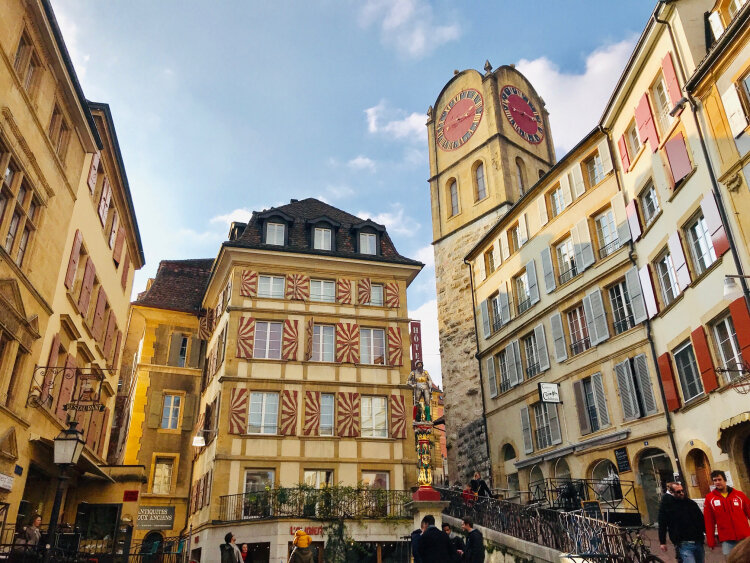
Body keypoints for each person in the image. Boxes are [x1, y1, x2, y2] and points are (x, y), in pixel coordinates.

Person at [704, 470, 750, 558]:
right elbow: (709, 521)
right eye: (715, 480)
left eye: (719, 479)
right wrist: (711, 540)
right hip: (727, 539)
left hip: (744, 536)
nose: (717, 482)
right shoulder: (710, 498)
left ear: (725, 480)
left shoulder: (739, 495)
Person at [658, 481, 705, 563]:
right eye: (678, 492)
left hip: (698, 541)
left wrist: (708, 534)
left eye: (682, 490)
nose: (682, 493)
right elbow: (662, 523)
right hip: (683, 543)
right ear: (672, 492)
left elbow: (700, 519)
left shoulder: (690, 503)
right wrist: (662, 542)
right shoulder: (667, 505)